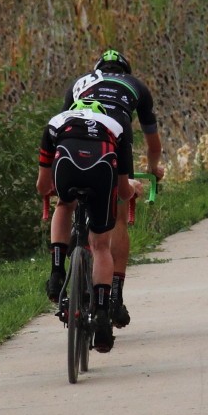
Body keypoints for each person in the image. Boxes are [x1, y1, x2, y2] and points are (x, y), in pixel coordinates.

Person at [45, 49, 165, 330]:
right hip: (115, 135)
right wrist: (154, 167)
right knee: (117, 216)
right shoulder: (136, 86)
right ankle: (114, 297)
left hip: (72, 143)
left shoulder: (79, 82)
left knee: (66, 202)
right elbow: (153, 143)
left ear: (97, 68)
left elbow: (65, 124)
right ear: (125, 71)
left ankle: (58, 268)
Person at [36, 100, 143, 353]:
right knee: (101, 246)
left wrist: (52, 190)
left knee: (64, 205)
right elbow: (123, 190)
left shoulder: (56, 121)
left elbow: (42, 186)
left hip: (67, 163)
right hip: (101, 168)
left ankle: (56, 274)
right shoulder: (115, 126)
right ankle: (103, 318)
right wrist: (132, 189)